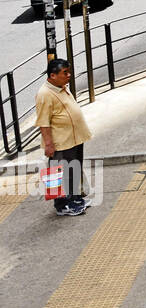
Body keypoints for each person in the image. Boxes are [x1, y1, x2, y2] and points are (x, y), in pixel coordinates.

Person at [36, 58, 93, 216]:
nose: (69, 75)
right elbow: (43, 122)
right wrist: (48, 144)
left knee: (75, 169)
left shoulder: (61, 87)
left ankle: (75, 199)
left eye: (69, 72)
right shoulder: (44, 94)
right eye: (65, 73)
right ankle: (61, 205)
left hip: (74, 138)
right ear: (53, 76)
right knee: (60, 174)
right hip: (60, 142)